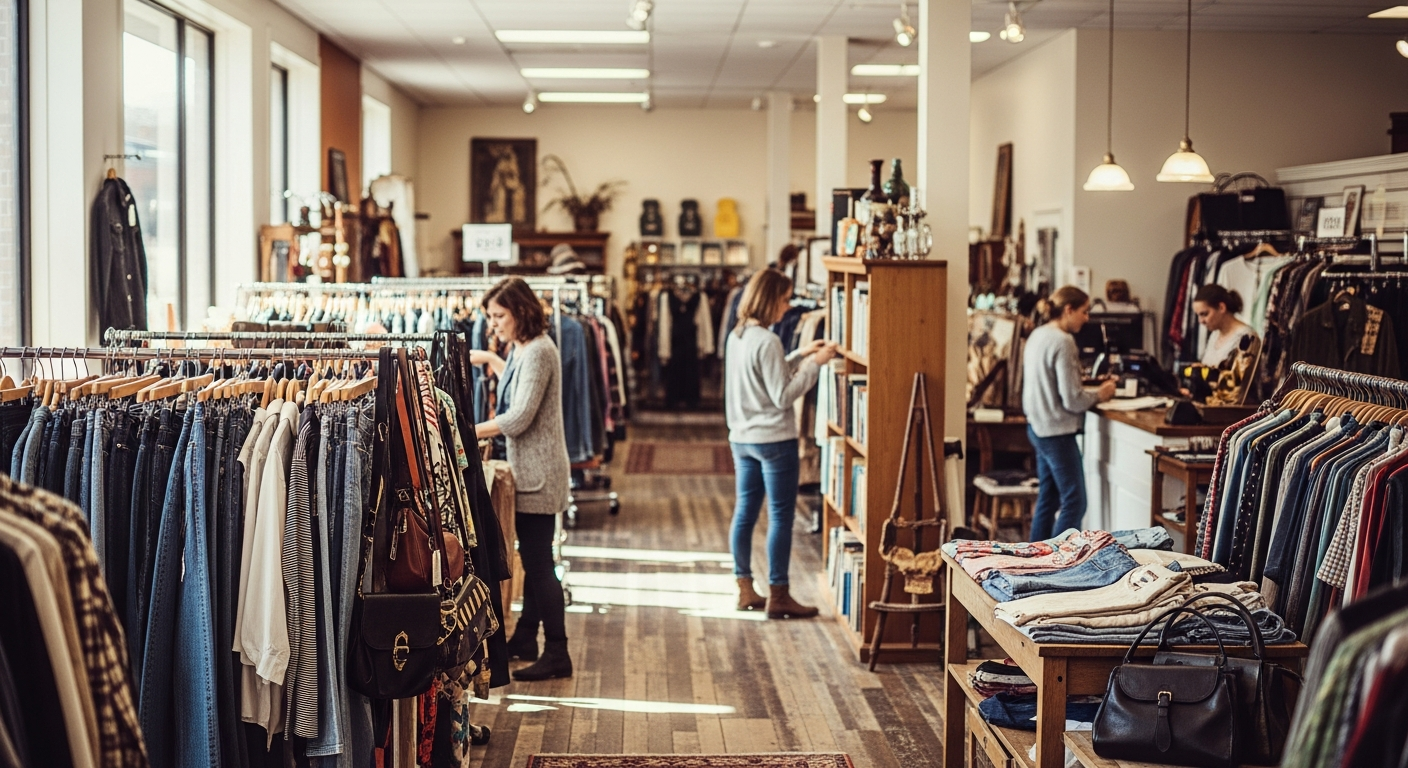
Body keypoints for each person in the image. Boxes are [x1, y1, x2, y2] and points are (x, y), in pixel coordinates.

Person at [472, 277, 574, 680]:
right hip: (532, 470)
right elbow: (515, 382)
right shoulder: (523, 349)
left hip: (539, 473)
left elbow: (519, 417)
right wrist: (488, 359)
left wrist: (463, 429)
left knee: (537, 562)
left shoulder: (539, 352)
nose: (493, 324)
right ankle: (527, 637)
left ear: (520, 312)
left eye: (499, 316)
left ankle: (559, 652)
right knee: (534, 561)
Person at [725, 269, 839, 618]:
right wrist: (815, 365)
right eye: (785, 299)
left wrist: (800, 354)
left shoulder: (739, 335)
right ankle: (779, 594)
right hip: (775, 440)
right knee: (780, 516)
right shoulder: (768, 340)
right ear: (770, 298)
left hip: (743, 438)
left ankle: (745, 587)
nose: (788, 307)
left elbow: (765, 373)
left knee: (744, 512)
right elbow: (782, 394)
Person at [1021, 286, 1117, 542]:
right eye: (1084, 312)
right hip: (1057, 431)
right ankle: (1057, 564)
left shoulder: (1038, 334)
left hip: (1037, 427)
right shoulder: (1063, 341)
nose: (1087, 318)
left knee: (1048, 499)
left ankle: (1034, 560)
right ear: (1068, 310)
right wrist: (1101, 393)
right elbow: (1073, 399)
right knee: (1075, 502)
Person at [1194, 284, 1257, 367]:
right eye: (1198, 315)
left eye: (1204, 314)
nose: (1200, 321)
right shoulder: (1215, 335)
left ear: (1221, 307)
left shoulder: (1246, 337)